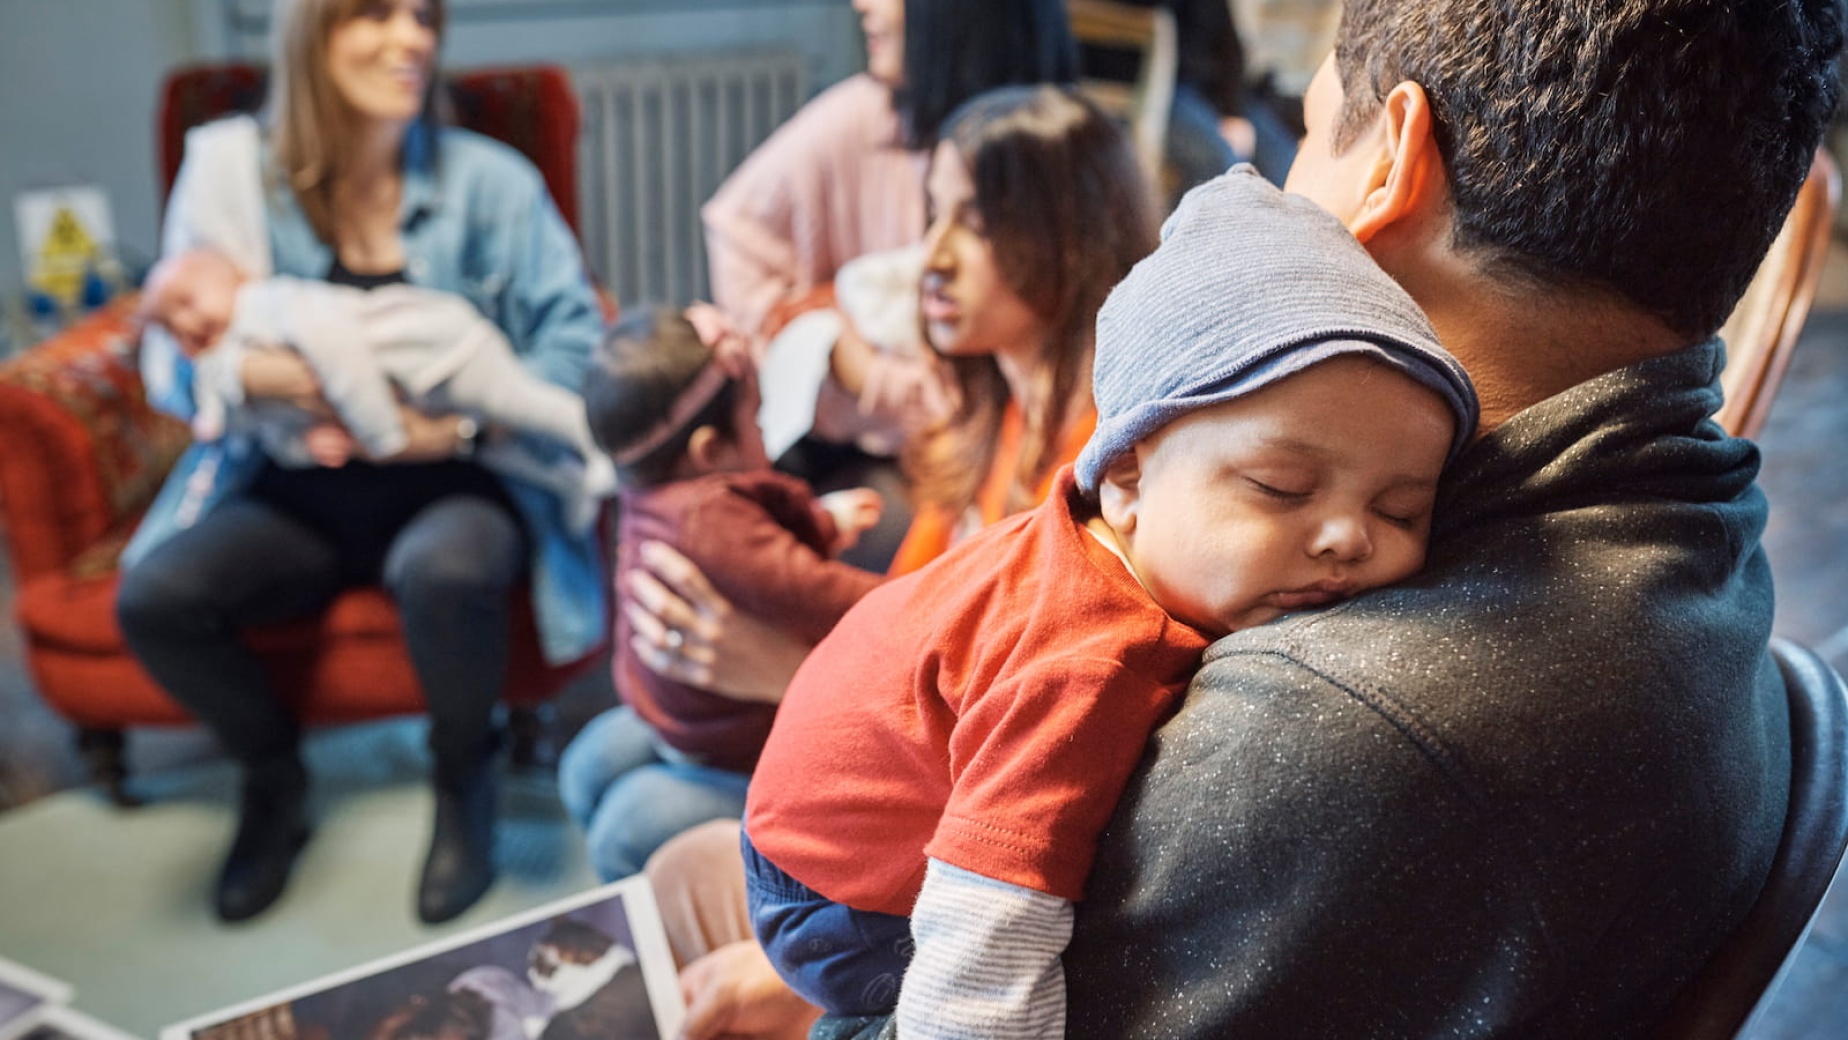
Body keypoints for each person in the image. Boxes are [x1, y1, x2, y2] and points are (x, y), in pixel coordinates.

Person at [644, 0, 1845, 1035]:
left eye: (1314, 130)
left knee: (676, 856)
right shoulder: (1701, 535)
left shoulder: (1344, 725)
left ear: (1391, 167)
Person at [742, 167, 1477, 1037]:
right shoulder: (1084, 658)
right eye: (1283, 487)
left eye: (1401, 509)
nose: (1346, 537)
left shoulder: (1108, 547)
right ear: (1125, 474)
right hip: (839, 890)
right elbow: (989, 926)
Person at [115, 0, 606, 925]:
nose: (412, 38)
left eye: (424, 16)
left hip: (461, 478)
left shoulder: (493, 185)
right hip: (294, 489)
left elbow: (576, 351)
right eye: (374, 13)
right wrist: (268, 376)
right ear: (311, 34)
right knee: (156, 600)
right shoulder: (232, 179)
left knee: (447, 569)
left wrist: (455, 430)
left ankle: (465, 777)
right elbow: (168, 362)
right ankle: (273, 774)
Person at [628, 82, 1156, 711]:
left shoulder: (1102, 462)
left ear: (1073, 244)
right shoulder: (991, 421)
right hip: (882, 713)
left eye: (977, 225)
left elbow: (983, 709)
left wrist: (785, 675)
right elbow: (903, 624)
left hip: (933, 760)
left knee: (637, 801)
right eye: (935, 215)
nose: (932, 256)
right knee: (608, 758)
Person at [704, 0, 1079, 567]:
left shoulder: (1047, 150)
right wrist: (810, 339)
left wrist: (865, 370)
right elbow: (739, 226)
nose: (862, 5)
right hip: (878, 441)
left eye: (974, 220)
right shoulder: (859, 115)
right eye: (935, 211)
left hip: (970, 436)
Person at [557, 306, 885, 882]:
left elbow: (750, 547)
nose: (764, 430)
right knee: (592, 769)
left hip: (683, 712)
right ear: (709, 451)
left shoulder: (653, 494)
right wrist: (907, 599)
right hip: (738, 733)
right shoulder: (709, 515)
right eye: (756, 416)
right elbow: (809, 589)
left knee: (612, 816)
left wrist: (822, 522)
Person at [138, 247, 612, 531]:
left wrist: (384, 436)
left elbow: (336, 348)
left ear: (234, 277)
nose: (185, 322)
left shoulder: (264, 303)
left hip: (440, 349)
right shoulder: (226, 354)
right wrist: (302, 445)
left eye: (186, 300)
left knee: (521, 404)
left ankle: (598, 444)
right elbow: (268, 426)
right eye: (169, 324)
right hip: (414, 392)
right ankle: (565, 482)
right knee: (500, 452)